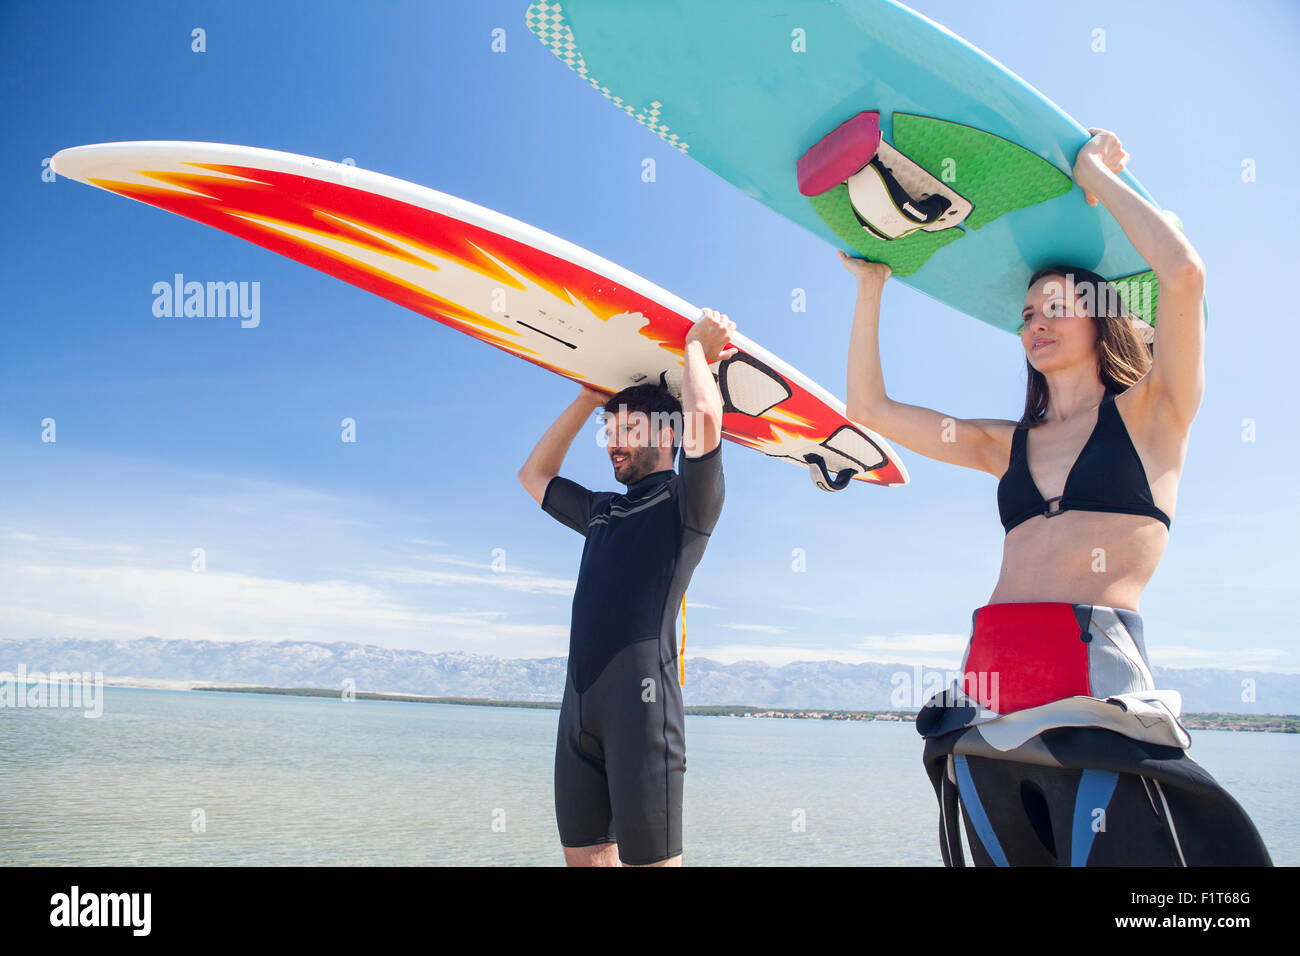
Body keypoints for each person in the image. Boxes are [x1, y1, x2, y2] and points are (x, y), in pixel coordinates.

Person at [842, 129, 1271, 865]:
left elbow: (1185, 276)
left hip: (1094, 687)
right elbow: (871, 410)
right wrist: (873, 287)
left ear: (1101, 314)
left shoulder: (1154, 412)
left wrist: (1098, 180)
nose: (1033, 324)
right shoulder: (1005, 442)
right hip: (987, 681)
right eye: (1025, 316)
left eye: (1054, 308)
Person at [517, 308, 734, 867]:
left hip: (645, 719)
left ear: (666, 435)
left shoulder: (686, 505)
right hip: (578, 717)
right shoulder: (601, 512)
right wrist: (588, 400)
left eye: (626, 431)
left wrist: (696, 352)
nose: (612, 443)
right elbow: (533, 476)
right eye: (608, 433)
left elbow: (706, 424)